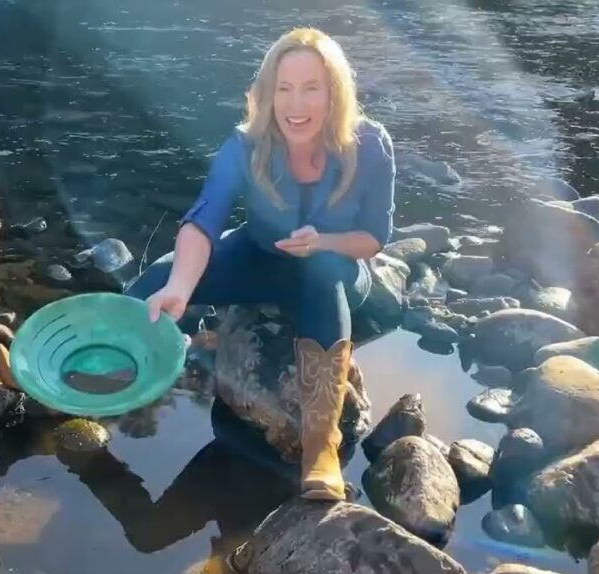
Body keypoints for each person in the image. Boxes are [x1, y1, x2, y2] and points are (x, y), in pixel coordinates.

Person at [126, 27, 396, 501]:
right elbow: (204, 219)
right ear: (267, 94)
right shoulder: (245, 144)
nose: (296, 104)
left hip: (334, 267)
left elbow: (374, 237)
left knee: (322, 277)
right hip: (254, 255)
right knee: (154, 283)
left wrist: (325, 241)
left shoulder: (370, 144)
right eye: (283, 89)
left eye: (311, 88)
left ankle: (321, 449)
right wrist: (182, 289)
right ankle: (72, 378)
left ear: (334, 91)